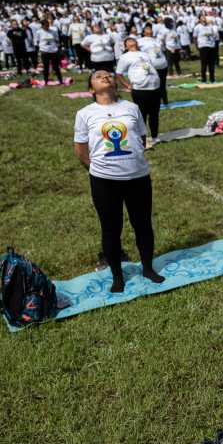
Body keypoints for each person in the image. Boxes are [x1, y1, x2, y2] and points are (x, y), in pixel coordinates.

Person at [73, 69, 163, 294]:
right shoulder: (85, 113)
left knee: (142, 224)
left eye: (108, 75)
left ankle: (148, 268)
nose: (105, 77)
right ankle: (117, 276)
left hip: (138, 177)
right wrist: (97, 169)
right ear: (91, 89)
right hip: (105, 181)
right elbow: (81, 149)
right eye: (98, 76)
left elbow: (141, 139)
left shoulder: (131, 108)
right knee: (111, 229)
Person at [116, 37, 162, 146]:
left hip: (155, 86)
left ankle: (155, 136)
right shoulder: (124, 57)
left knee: (154, 114)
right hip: (140, 89)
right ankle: (142, 139)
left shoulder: (145, 54)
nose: (132, 42)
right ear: (126, 46)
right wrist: (127, 85)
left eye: (134, 40)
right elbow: (119, 73)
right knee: (142, 114)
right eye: (129, 41)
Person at [138, 24, 169, 106]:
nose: (149, 30)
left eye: (150, 28)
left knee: (162, 84)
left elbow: (162, 51)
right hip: (151, 66)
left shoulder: (157, 40)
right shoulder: (140, 41)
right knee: (152, 85)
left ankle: (165, 102)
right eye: (147, 29)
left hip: (162, 65)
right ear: (144, 32)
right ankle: (153, 103)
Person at [36, 19, 63, 84]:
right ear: (42, 26)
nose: (47, 27)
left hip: (53, 51)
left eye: (48, 25)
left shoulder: (53, 31)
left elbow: (57, 40)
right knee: (46, 67)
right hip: (44, 51)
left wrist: (56, 47)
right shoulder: (39, 32)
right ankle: (46, 81)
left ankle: (60, 81)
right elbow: (37, 41)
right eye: (45, 26)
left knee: (56, 67)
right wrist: (41, 49)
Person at [193, 14, 217, 83]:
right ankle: (203, 79)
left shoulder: (210, 26)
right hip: (203, 46)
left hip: (211, 46)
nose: (204, 18)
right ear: (199, 19)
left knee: (211, 64)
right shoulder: (197, 27)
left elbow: (214, 35)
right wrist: (196, 46)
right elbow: (194, 37)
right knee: (204, 64)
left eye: (204, 17)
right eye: (202, 17)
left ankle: (212, 79)